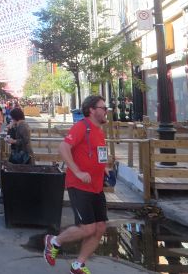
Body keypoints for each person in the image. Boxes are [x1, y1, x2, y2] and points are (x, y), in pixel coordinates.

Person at [43, 95, 110, 274]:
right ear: (92, 110)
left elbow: (97, 154)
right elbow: (63, 148)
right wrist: (78, 171)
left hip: (96, 186)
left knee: (100, 227)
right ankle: (54, 241)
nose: (106, 111)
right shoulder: (82, 127)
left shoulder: (100, 131)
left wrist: (104, 167)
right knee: (87, 228)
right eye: (103, 108)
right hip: (79, 185)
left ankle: (78, 264)